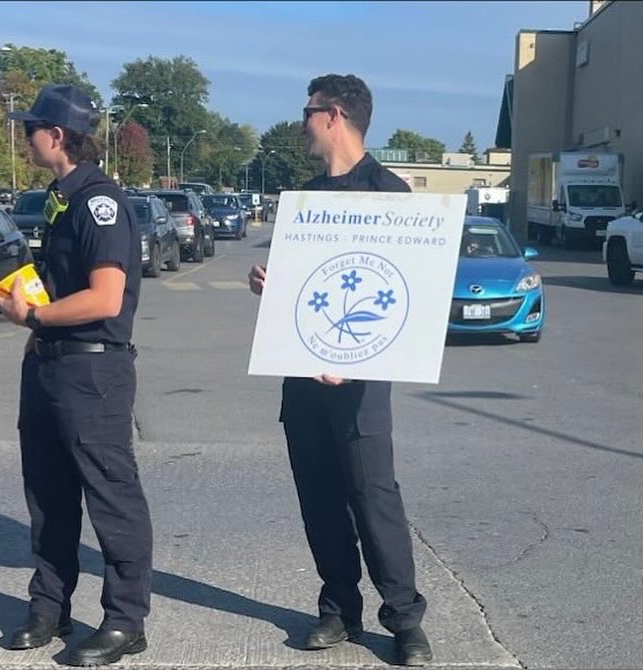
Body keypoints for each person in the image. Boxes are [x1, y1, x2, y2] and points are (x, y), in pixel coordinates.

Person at [247, 74, 432, 667]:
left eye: (306, 112)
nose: (300, 123)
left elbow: (405, 298)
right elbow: (299, 288)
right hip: (301, 379)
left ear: (332, 116)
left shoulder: (391, 194)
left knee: (374, 499)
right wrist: (268, 287)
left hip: (361, 386)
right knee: (319, 497)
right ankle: (339, 609)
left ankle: (404, 621)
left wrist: (353, 364)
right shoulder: (304, 200)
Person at [0, 84, 152, 667]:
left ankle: (125, 619)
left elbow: (106, 298)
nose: (25, 136)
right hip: (50, 365)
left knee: (111, 497)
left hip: (93, 371)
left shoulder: (98, 202)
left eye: (31, 127)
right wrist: (38, 333)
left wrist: (32, 314)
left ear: (56, 136)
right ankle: (49, 606)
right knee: (48, 495)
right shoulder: (61, 197)